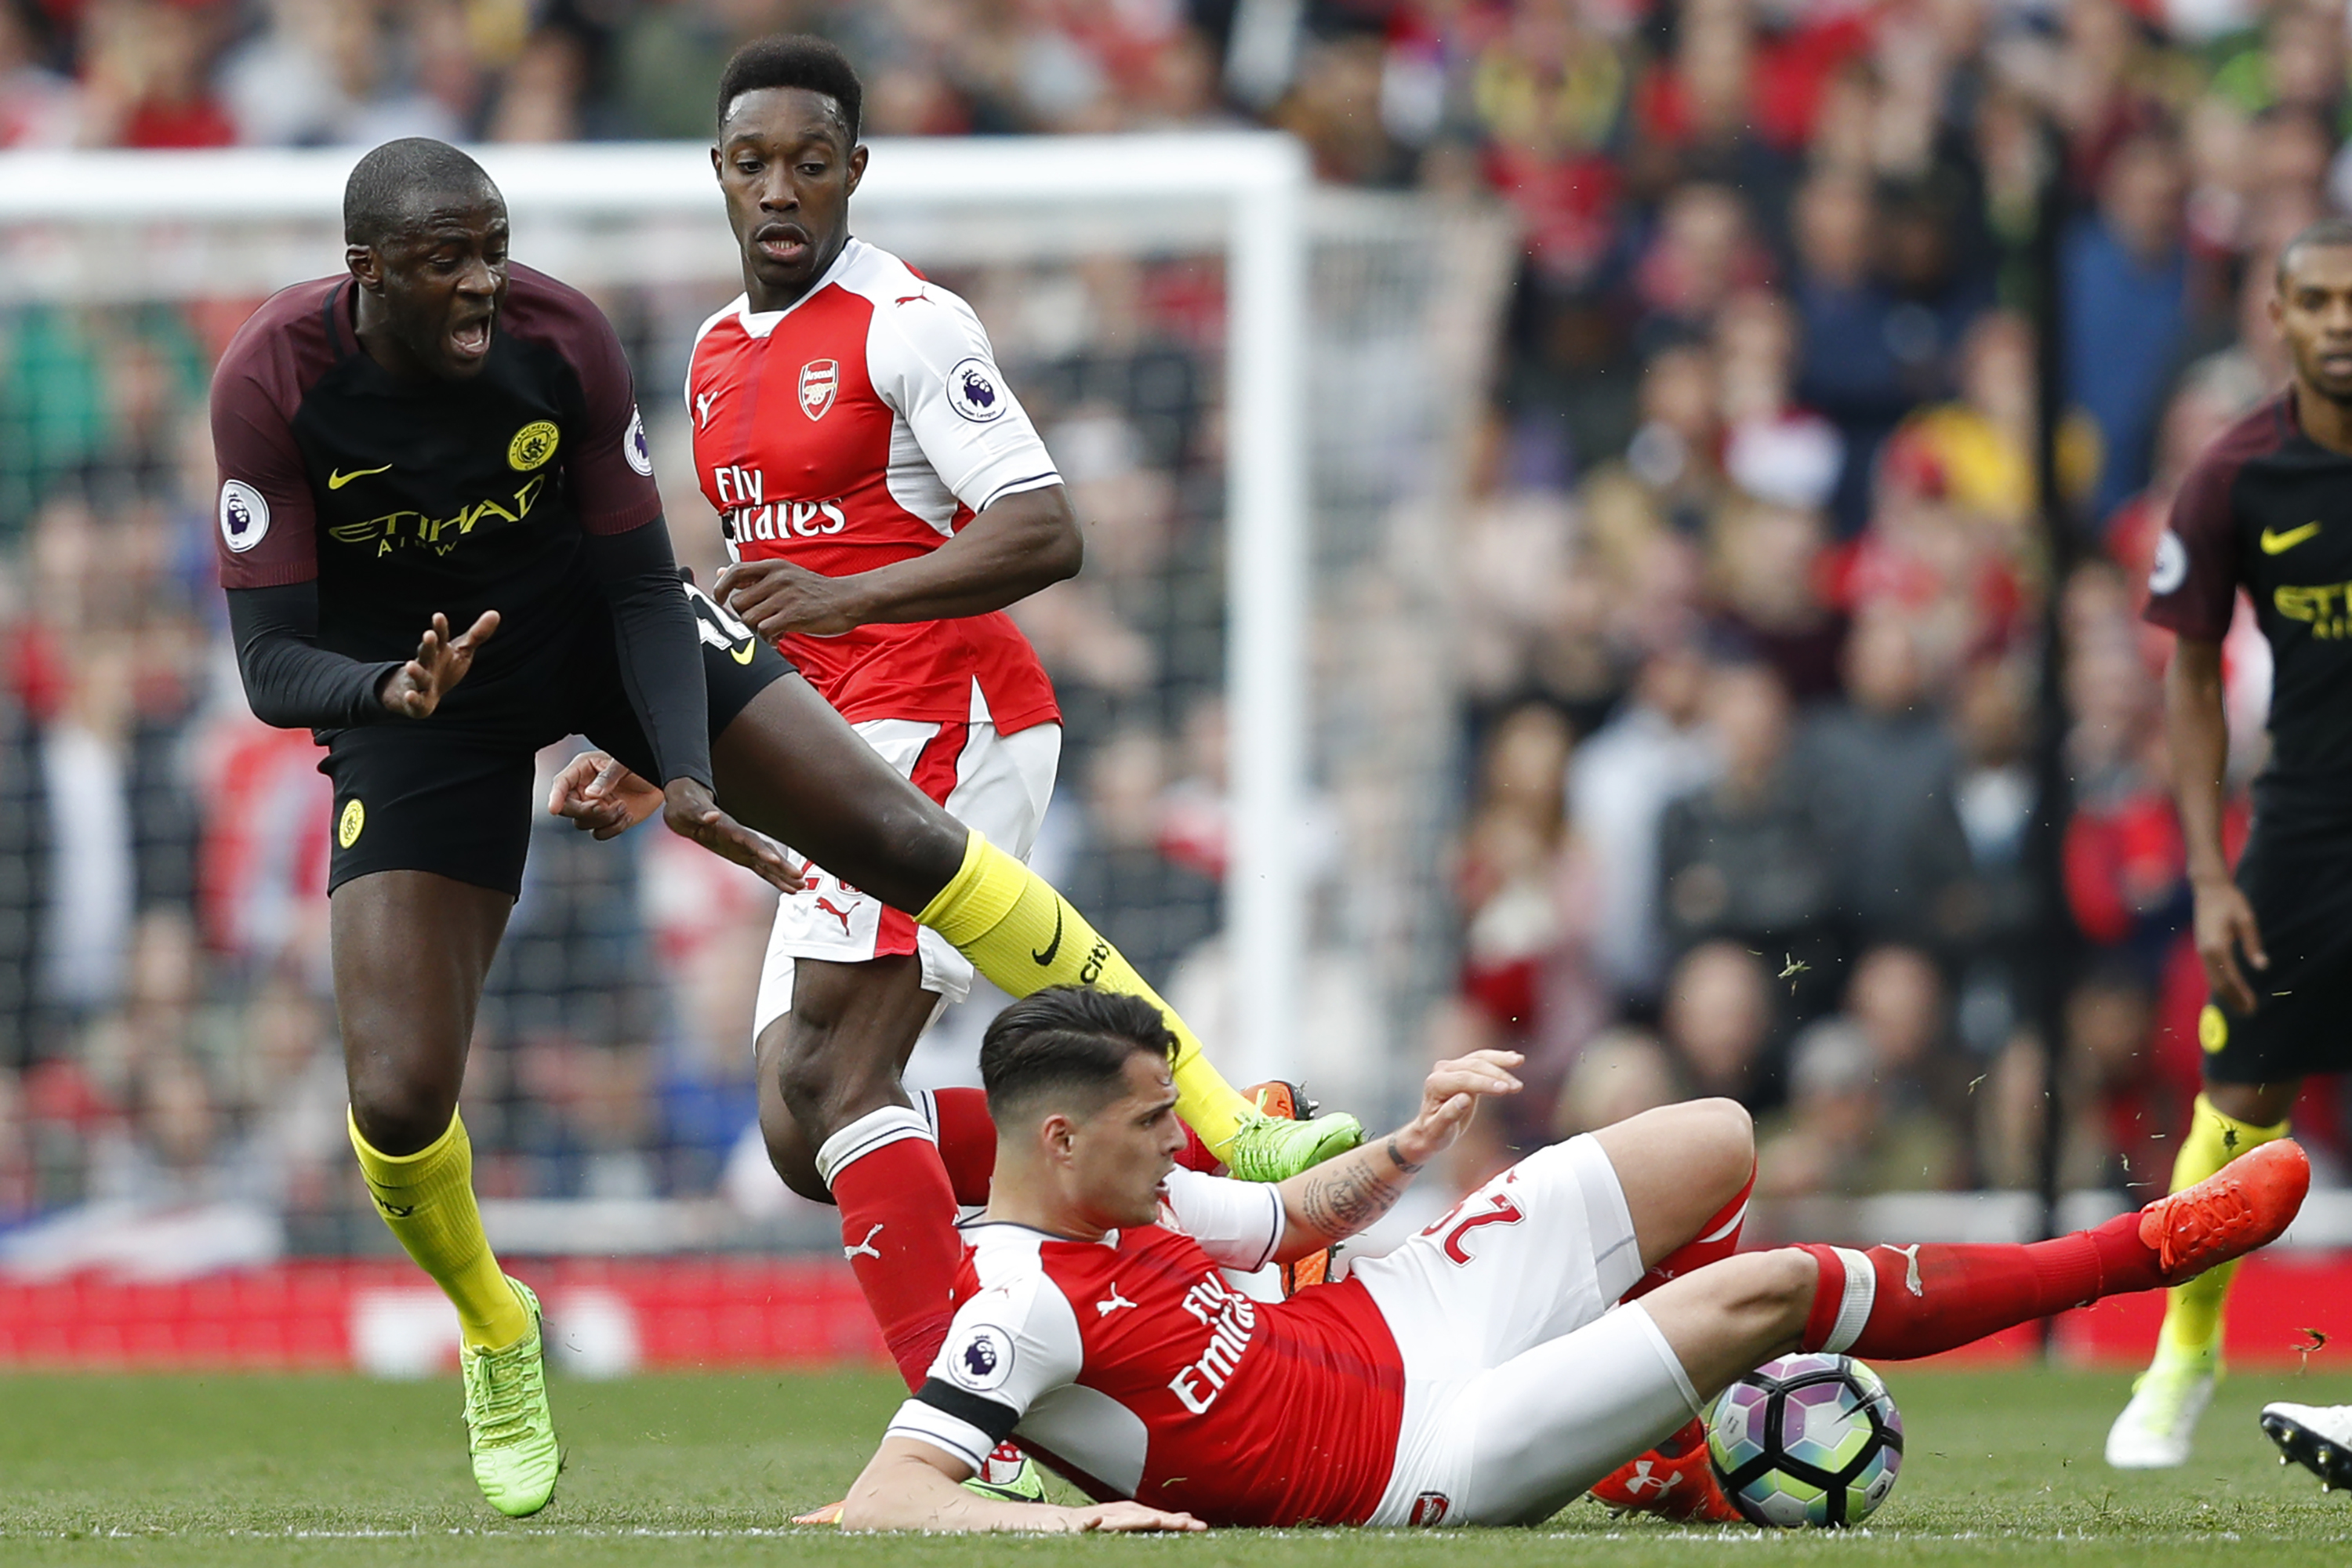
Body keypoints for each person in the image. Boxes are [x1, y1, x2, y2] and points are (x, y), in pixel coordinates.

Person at [210, 137, 1354, 1519]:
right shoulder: (271, 381)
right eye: (448, 261)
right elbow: (269, 664)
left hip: (597, 640)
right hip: (417, 695)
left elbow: (643, 589)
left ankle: (1229, 1125)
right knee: (396, 1097)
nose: (482, 285)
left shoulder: (561, 337)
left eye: (494, 249)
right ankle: (499, 1325)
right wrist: (385, 690)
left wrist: (680, 771)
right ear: (367, 271)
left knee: (911, 846)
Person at [833, 986, 2306, 1531]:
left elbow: (1287, 1223)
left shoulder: (1132, 1200)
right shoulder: (1016, 1302)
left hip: (1407, 1318)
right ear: (1062, 1138)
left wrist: (1408, 1149)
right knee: (1769, 1290)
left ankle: (1659, 1457)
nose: (1184, 1142)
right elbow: (894, 1494)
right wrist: (1065, 1528)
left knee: (1712, 1138)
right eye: (1158, 1122)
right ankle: (2143, 1251)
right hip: (1424, 1453)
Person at [2118, 214, 2352, 1469]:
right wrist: (2210, 875)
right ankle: (2183, 1355)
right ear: (2279, 315)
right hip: (2305, 827)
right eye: (2317, 301)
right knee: (2242, 1101)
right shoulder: (2237, 473)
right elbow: (2191, 677)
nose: (2342, 322)